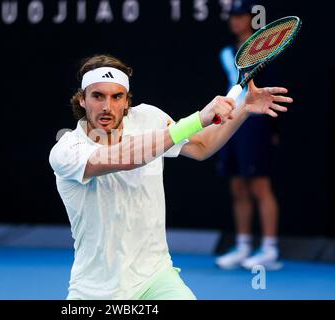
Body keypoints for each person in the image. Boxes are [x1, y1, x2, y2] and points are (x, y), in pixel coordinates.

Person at [49, 54, 292, 299]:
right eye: (97, 96)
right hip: (95, 290)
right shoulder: (67, 150)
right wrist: (198, 119)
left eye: (116, 96)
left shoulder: (149, 118)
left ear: (126, 101)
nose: (106, 107)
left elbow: (201, 146)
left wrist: (243, 109)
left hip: (155, 279)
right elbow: (125, 157)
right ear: (82, 99)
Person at [215, 0, 283, 270]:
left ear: (251, 19)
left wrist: (273, 128)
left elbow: (273, 92)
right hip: (231, 123)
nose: (234, 21)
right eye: (231, 16)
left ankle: (269, 250)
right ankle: (243, 246)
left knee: (259, 186)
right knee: (237, 186)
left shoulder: (265, 51)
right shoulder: (225, 53)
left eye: (240, 16)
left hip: (255, 124)